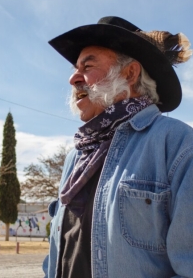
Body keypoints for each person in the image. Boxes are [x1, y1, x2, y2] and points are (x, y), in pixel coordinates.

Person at [43, 16, 193, 278]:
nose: (73, 79)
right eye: (74, 68)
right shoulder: (75, 157)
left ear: (130, 73)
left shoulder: (177, 144)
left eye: (87, 66)